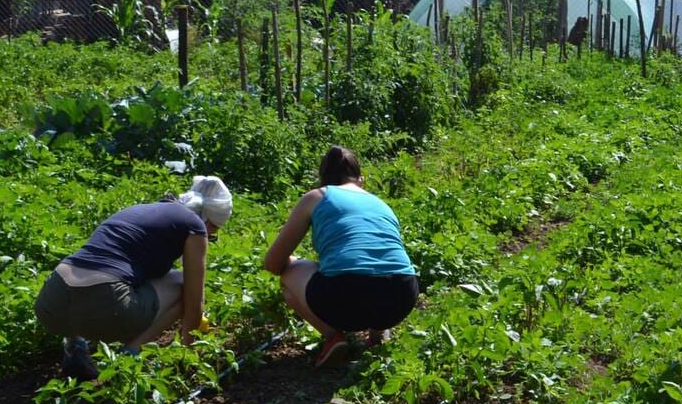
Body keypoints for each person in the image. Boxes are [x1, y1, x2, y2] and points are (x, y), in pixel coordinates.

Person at [34, 175, 232, 381]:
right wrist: (189, 356)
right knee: (184, 284)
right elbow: (195, 304)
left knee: (108, 277)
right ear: (207, 220)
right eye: (213, 234)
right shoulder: (195, 226)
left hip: (51, 305)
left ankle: (75, 345)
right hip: (105, 305)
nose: (210, 239)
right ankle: (129, 353)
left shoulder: (139, 211)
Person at [263, 146, 420, 367]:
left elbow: (272, 263)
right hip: (402, 295)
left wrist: (293, 263)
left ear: (322, 180)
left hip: (344, 297)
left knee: (289, 273)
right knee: (378, 266)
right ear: (361, 180)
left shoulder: (316, 197)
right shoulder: (381, 204)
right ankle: (379, 335)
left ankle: (333, 337)